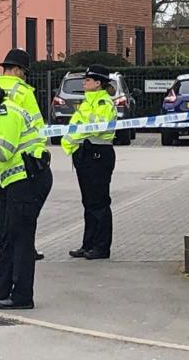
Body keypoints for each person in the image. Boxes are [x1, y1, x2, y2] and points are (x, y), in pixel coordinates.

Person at [0, 80, 52, 310]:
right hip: (21, 180)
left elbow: (3, 152)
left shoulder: (4, 115)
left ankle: (23, 295)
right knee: (9, 237)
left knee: (21, 240)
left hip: (27, 181)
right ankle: (1, 289)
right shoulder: (1, 114)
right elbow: (8, 148)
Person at [61, 65, 118, 260]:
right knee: (88, 202)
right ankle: (88, 244)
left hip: (98, 153)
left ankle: (101, 247)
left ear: (98, 83)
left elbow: (97, 128)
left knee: (99, 202)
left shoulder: (103, 103)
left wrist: (78, 136)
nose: (84, 83)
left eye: (88, 80)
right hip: (85, 153)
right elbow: (75, 127)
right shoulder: (86, 102)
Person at [0, 48, 46, 261]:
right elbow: (37, 126)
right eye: (24, 72)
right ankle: (24, 248)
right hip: (22, 161)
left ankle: (3, 246)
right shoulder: (23, 92)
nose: (25, 76)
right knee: (23, 209)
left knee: (1, 204)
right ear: (16, 70)